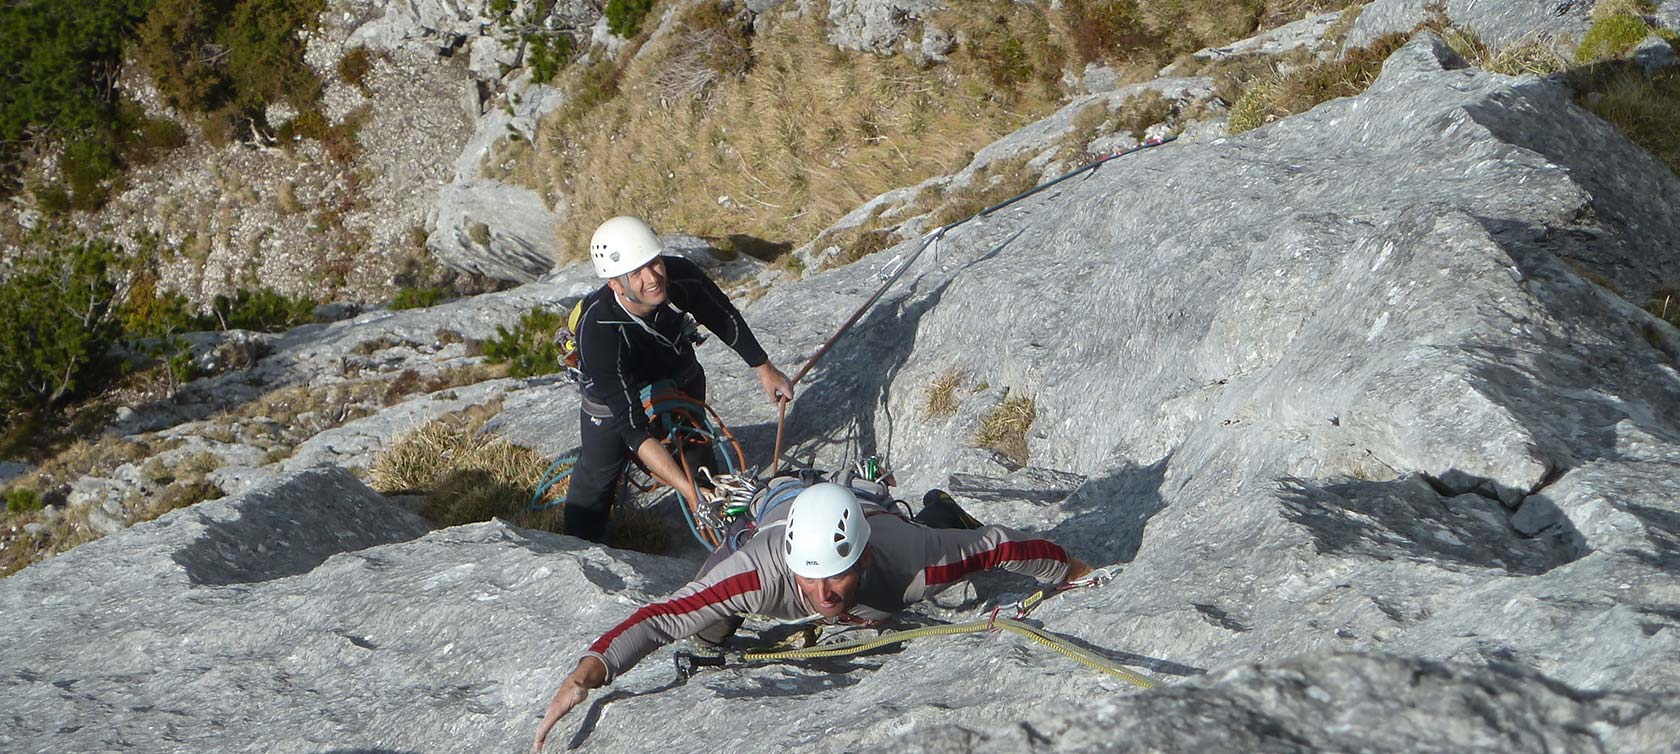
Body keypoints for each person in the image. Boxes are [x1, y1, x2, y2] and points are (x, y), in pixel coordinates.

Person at [531, 475, 1093, 751]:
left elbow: (999, 547)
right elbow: (662, 616)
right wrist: (589, 672)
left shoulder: (909, 562)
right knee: (707, 617)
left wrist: (1072, 572)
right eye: (811, 577)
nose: (823, 592)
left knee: (934, 553)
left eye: (838, 576)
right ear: (792, 566)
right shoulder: (757, 572)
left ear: (864, 557)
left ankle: (937, 511)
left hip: (876, 516)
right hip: (773, 512)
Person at [564, 216, 795, 542]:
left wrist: (764, 368)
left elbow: (722, 316)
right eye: (636, 273)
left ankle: (722, 526)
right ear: (615, 284)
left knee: (694, 439)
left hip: (671, 363)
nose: (653, 277)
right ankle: (578, 543)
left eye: (654, 262)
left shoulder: (681, 276)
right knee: (600, 467)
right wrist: (687, 491)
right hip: (612, 385)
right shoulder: (599, 331)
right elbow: (633, 428)